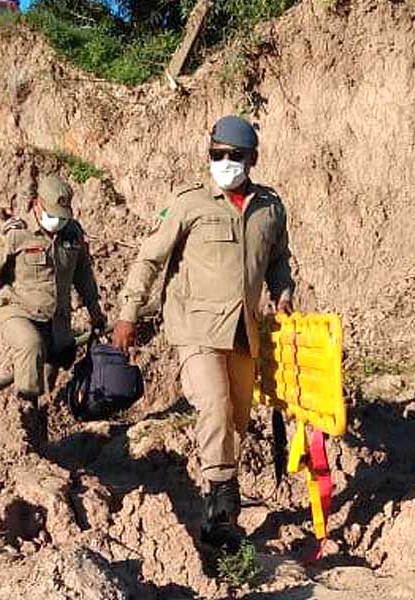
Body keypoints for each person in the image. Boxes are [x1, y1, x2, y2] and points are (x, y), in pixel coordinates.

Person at [112, 115, 294, 549]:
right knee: (214, 404)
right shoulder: (189, 203)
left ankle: (219, 502)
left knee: (237, 419)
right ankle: (222, 507)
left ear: (252, 159)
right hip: (195, 327)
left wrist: (283, 293)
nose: (225, 162)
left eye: (235, 155)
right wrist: (128, 313)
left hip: (242, 331)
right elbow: (150, 258)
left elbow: (278, 260)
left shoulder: (270, 207)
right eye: (217, 154)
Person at [0, 175, 106, 437]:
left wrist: (94, 310)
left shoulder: (73, 233)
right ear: (37, 204)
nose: (57, 222)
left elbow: (83, 275)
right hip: (16, 310)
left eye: (62, 216)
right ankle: (25, 412)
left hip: (56, 318)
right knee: (30, 345)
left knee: (55, 363)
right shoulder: (14, 233)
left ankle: (41, 426)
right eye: (52, 215)